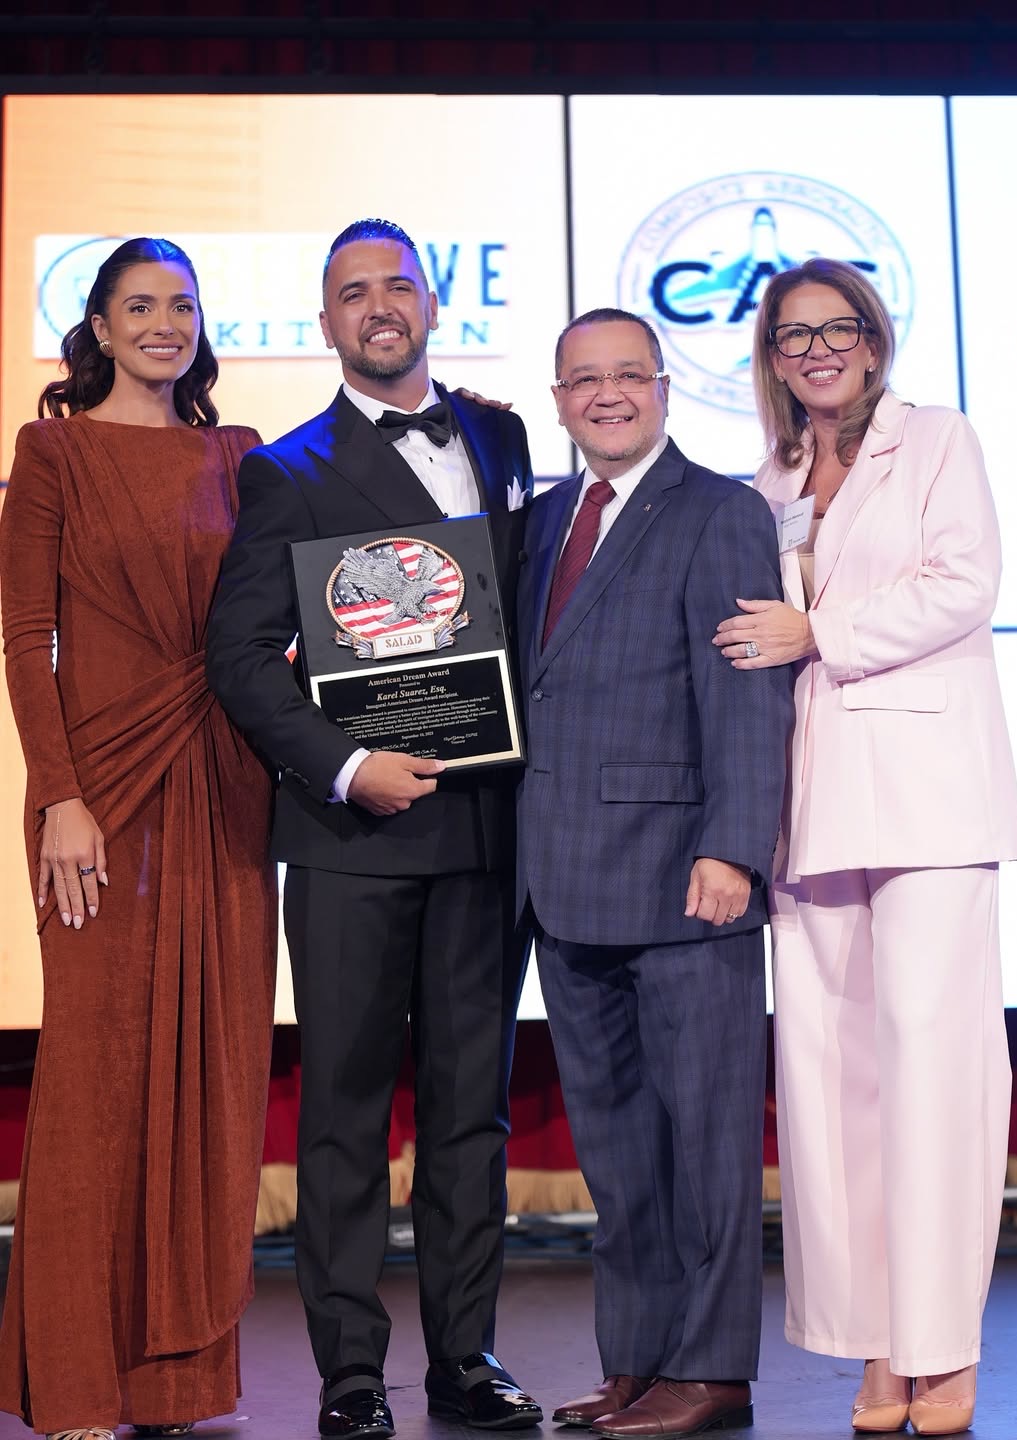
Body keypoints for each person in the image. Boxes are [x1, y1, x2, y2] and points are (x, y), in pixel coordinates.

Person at [204, 218, 539, 1440]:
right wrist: (347, 766)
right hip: (349, 841)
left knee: (472, 1113)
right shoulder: (285, 470)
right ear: (328, 320)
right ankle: (352, 1376)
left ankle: (468, 1360)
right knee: (345, 1111)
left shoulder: (501, 435)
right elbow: (240, 658)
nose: (378, 306)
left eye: (398, 284)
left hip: (489, 831)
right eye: (353, 292)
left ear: (434, 303)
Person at [714, 258, 1017, 1436]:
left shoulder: (938, 439)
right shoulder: (771, 477)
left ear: (874, 337)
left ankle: (944, 1347)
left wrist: (819, 630)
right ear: (772, 360)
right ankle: (876, 1346)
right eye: (794, 337)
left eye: (837, 328)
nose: (818, 351)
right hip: (818, 802)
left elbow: (967, 584)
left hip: (933, 796)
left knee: (937, 1074)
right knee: (834, 1086)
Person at [0, 237, 276, 1440]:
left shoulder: (242, 456)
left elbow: (278, 623)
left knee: (212, 1074)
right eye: (139, 307)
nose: (165, 323)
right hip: (96, 793)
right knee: (96, 1074)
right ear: (100, 329)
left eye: (183, 305)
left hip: (225, 781)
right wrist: (58, 792)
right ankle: (74, 1379)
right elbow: (26, 634)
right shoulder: (52, 450)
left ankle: (174, 1382)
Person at [517, 308, 792, 1438]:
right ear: (560, 398)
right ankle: (636, 1360)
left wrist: (734, 847)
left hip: (686, 883)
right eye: (585, 380)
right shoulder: (539, 523)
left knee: (709, 1147)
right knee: (622, 1156)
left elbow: (746, 696)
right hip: (565, 885)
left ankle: (712, 1372)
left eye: (629, 374)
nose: (608, 395)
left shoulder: (719, 512)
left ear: (666, 389)